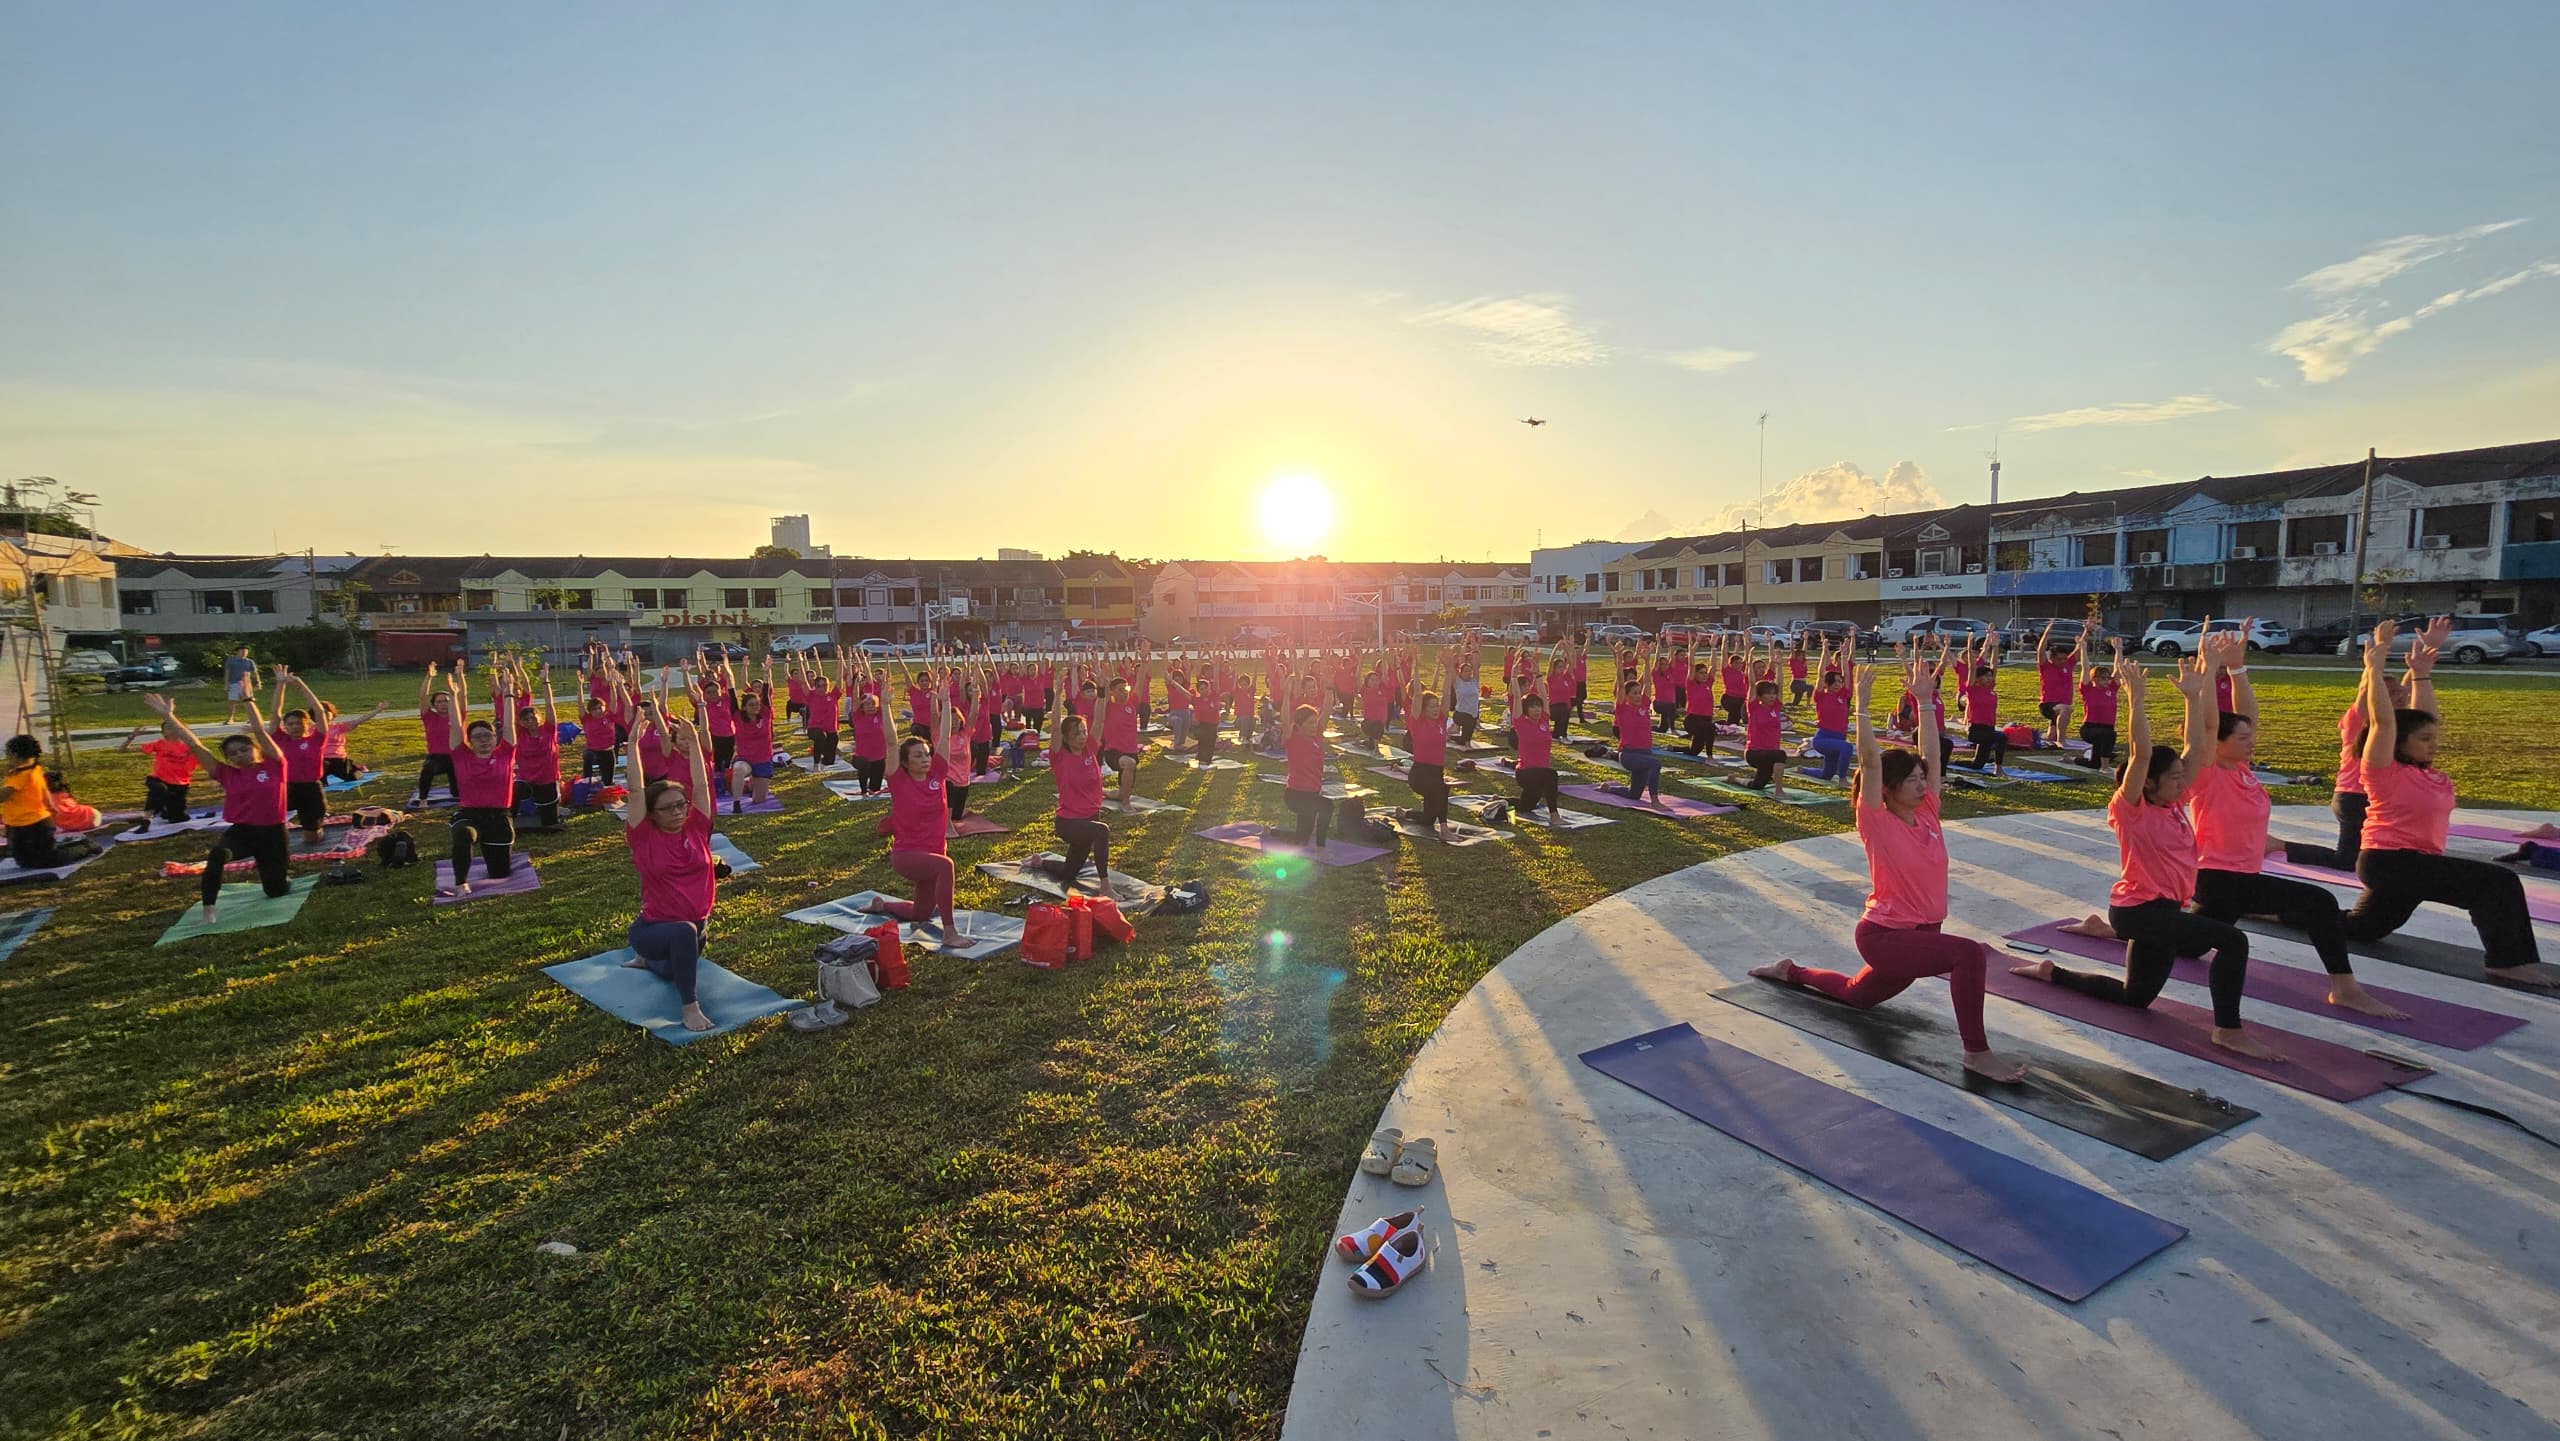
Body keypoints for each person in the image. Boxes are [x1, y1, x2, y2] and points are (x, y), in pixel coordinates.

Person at [1749, 656, 2027, 1083]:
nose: (1922, 783)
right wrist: (1859, 706)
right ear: (1889, 789)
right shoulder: (1877, 820)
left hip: (1922, 934)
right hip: (1886, 937)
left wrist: (1926, 704)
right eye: (1913, 779)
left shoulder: (1929, 812)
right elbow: (1872, 762)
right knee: (1968, 953)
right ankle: (1977, 1053)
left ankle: (1790, 970)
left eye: (1922, 778)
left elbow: (1933, 755)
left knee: (1858, 996)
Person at [2009, 647, 2283, 1061]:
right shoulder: (2131, 810)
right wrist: (2135, 698)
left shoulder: (2172, 804)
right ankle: (2228, 1030)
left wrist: (2193, 696)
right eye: (2173, 778)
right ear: (2149, 783)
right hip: (2140, 911)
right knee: (2233, 942)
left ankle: (2053, 972)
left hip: (2163, 910)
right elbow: (2139, 752)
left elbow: (2196, 745)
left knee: (2134, 997)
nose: (2183, 783)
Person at [2186, 629, 2407, 1018]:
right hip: (2220, 876)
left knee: (2189, 943)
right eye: (2242, 738)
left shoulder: (2241, 770)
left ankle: (2127, 928)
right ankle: (2344, 987)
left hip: (2237, 874)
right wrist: (2208, 672)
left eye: (2250, 736)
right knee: (2319, 902)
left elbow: (2248, 713)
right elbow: (2206, 726)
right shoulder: (2207, 773)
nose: (2252, 741)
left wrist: (2237, 669)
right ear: (2218, 743)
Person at [2342, 618, 2555, 989]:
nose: (2433, 743)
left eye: (2432, 738)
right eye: (2423, 739)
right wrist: (2373, 668)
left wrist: (2422, 673)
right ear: (2400, 742)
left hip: (2415, 865)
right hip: (2390, 863)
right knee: (2495, 882)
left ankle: (2276, 910)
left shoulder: (2427, 773)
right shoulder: (2383, 770)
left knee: (2360, 929)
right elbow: (2382, 720)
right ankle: (2508, 962)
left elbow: (2429, 718)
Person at [144, 693, 292, 924]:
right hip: (243, 832)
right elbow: (195, 745)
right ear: (229, 760)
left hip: (273, 833)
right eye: (233, 754)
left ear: (255, 749)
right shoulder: (226, 774)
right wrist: (169, 716)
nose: (239, 755)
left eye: (243, 749)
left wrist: (248, 701)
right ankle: (209, 909)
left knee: (276, 891)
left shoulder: (275, 765)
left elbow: (260, 731)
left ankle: (281, 877)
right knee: (217, 855)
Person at [619, 715, 717, 1033]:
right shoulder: (643, 836)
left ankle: (649, 963)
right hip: (653, 928)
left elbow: (701, 785)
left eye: (680, 805)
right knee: (683, 934)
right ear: (651, 814)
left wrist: (696, 741)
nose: (677, 812)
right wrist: (632, 744)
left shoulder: (697, 827)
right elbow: (635, 790)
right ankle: (690, 1007)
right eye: (668, 808)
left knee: (674, 966)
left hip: (694, 927)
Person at [869, 729, 975, 950]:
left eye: (927, 754)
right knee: (946, 866)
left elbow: (944, 737)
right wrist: (886, 704)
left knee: (921, 913)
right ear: (905, 762)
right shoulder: (899, 781)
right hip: (907, 856)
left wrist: (945, 703)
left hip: (933, 853)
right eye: (918, 755)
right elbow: (890, 743)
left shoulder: (937, 776)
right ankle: (949, 932)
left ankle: (882, 905)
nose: (925, 759)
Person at [440, 661, 520, 898]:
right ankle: (461, 881)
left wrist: (508, 691)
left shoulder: (506, 752)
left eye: (488, 735)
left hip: (499, 817)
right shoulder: (461, 754)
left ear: (495, 737)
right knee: (464, 835)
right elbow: (455, 724)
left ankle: (492, 856)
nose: (484, 740)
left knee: (499, 873)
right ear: (470, 740)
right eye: (478, 736)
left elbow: (509, 723)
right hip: (471, 814)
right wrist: (454, 696)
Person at [1047, 702, 1112, 893]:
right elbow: (1055, 727)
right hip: (1069, 823)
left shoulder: (1090, 749)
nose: (1083, 737)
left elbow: (1099, 721)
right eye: (1077, 734)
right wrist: (1057, 691)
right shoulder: (1059, 757)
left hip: (1090, 817)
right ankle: (1105, 885)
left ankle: (1039, 862)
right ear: (1066, 738)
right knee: (1102, 831)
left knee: (1068, 873)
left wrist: (1102, 690)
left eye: (1084, 732)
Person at [3, 735, 89, 870]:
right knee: (24, 861)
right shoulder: (34, 768)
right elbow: (43, 789)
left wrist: (50, 807)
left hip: (34, 824)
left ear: (15, 755)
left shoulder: (21, 776)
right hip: (18, 824)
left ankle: (85, 848)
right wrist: (51, 806)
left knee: (46, 860)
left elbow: (4, 795)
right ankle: (72, 845)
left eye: (7, 754)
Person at [269, 667, 332, 845]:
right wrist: (280, 684)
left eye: (299, 723)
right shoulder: (280, 739)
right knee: (273, 829)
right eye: (290, 724)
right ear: (285, 726)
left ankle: (315, 830)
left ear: (307, 724)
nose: (295, 727)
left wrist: (299, 684)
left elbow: (318, 711)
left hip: (311, 789)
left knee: (312, 839)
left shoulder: (316, 739)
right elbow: (275, 713)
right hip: (286, 787)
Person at [1607, 639, 1664, 804]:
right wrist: (1618, 658)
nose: (1638, 695)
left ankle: (1610, 788)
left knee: (1634, 795)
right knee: (1655, 764)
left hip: (1645, 753)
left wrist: (1647, 660)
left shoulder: (1645, 705)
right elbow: (1620, 683)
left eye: (1639, 693)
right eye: (1634, 693)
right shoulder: (1622, 708)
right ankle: (1655, 800)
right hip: (1629, 755)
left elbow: (1647, 682)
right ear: (1626, 696)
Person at [1402, 666, 1453, 839]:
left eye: (1436, 706)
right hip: (1420, 775)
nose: (1436, 709)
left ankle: (1404, 813)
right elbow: (1417, 695)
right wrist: (1415, 664)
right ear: (1423, 709)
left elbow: (1446, 695)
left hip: (1436, 773)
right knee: (1442, 788)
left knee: (1428, 819)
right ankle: (1445, 830)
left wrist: (1449, 669)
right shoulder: (1417, 723)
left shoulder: (1440, 721)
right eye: (1431, 706)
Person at [122, 721, 204, 829]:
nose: (173, 729)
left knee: (178, 818)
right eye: (169, 727)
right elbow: (123, 750)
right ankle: (146, 820)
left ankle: (164, 810)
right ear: (164, 732)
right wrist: (131, 737)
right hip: (159, 779)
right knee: (159, 790)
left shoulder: (192, 747)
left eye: (176, 727)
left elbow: (206, 761)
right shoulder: (160, 744)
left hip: (180, 785)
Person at [1505, 670, 1561, 826]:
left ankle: (1502, 801)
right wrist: (1514, 676)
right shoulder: (1521, 723)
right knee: (1551, 775)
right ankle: (1554, 815)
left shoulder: (1544, 720)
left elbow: (1544, 696)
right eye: (1532, 707)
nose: (1537, 709)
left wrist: (1538, 675)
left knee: (1526, 807)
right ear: (1526, 709)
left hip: (1540, 775)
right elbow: (1516, 697)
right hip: (1525, 773)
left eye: (1538, 706)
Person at [512, 662, 564, 830]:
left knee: (550, 824)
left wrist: (545, 682)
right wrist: (508, 691)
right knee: (513, 789)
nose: (530, 721)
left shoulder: (549, 730)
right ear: (521, 722)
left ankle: (551, 809)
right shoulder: (520, 733)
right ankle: (506, 821)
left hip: (547, 780)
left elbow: (550, 705)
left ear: (539, 718)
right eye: (526, 719)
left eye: (533, 718)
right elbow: (511, 712)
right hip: (525, 780)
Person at [1279, 702, 1334, 850]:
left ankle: (1273, 832)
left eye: (1315, 722)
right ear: (1299, 724)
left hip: (1312, 794)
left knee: (1302, 838)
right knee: (1327, 806)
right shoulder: (1293, 740)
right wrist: (1286, 693)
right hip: (1296, 796)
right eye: (1310, 723)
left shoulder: (1316, 738)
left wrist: (1329, 686)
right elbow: (1284, 719)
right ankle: (1321, 847)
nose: (1314, 726)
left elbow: (1327, 710)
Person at [410, 660, 461, 806]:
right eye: (439, 702)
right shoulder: (429, 717)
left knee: (456, 793)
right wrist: (429, 677)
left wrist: (457, 682)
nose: (443, 704)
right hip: (437, 757)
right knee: (427, 769)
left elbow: (461, 697)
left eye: (446, 701)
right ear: (434, 705)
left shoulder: (457, 715)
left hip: (457, 756)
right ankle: (423, 799)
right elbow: (422, 697)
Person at [1737, 668, 1792, 799]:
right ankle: (1779, 791)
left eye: (1773, 693)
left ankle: (1735, 779)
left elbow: (1780, 685)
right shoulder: (1754, 708)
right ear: (1760, 696)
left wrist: (1779, 665)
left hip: (1769, 755)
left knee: (1757, 785)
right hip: (1755, 753)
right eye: (1768, 694)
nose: (1772, 696)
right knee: (1781, 755)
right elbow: (1751, 684)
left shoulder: (1776, 708)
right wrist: (1750, 665)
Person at [1805, 643, 1855, 784]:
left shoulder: (1843, 695)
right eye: (1835, 681)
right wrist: (1824, 651)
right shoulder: (1821, 696)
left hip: (1838, 739)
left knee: (1827, 775)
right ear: (1827, 683)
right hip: (1823, 740)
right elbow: (1821, 675)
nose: (1839, 684)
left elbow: (1847, 675)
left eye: (1840, 681)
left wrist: (1844, 657)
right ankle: (1843, 779)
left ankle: (1803, 770)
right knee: (1847, 747)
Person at [2075, 629, 2123, 771]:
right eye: (2103, 678)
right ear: (2094, 679)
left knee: (2093, 763)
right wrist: (2083, 648)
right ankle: (2105, 767)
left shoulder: (2112, 689)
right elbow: (2085, 667)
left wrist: (2119, 650)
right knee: (2109, 736)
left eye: (2108, 678)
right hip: (2090, 729)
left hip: (2106, 728)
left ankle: (2075, 760)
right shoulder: (2088, 689)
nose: (2107, 681)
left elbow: (2118, 669)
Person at [1102, 673, 1143, 811]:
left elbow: (1140, 682)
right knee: (1129, 764)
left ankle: (1107, 792)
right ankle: (1126, 804)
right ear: (1112, 692)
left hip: (1131, 752)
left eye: (1126, 689)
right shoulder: (1108, 706)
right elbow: (1104, 693)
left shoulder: (1132, 705)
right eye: (1120, 689)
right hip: (1113, 753)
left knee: (1121, 792)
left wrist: (1143, 662)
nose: (1125, 692)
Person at [2034, 621, 2075, 750]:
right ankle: (2061, 741)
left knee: (2049, 737)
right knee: (2066, 709)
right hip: (2048, 705)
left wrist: (2087, 632)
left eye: (2064, 658)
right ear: (2052, 658)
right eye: (2059, 659)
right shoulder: (2046, 667)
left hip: (2060, 706)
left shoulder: (2068, 665)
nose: (2063, 661)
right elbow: (2041, 650)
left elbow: (2079, 649)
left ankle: (2043, 735)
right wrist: (2047, 632)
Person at [222, 645, 257, 723]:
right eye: (242, 651)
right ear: (237, 652)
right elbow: (227, 672)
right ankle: (230, 718)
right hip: (234, 683)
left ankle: (251, 718)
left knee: (249, 701)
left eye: (246, 651)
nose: (244, 653)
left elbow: (254, 672)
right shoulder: (231, 660)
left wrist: (258, 681)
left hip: (246, 683)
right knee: (232, 701)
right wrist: (226, 683)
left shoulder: (249, 661)